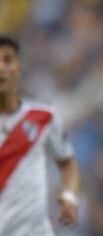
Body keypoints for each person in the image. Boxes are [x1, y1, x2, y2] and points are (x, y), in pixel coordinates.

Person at [0, 37, 80, 235]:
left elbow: (67, 164)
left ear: (18, 67)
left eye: (8, 60)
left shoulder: (44, 117)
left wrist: (68, 196)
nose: (1, 67)